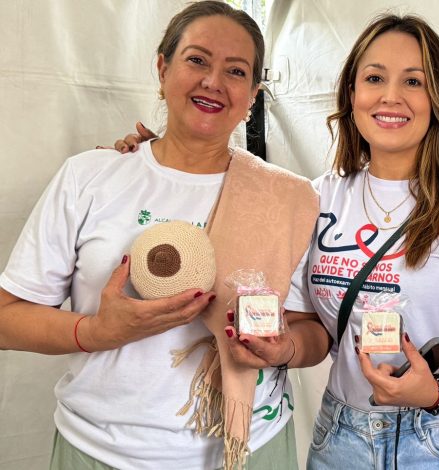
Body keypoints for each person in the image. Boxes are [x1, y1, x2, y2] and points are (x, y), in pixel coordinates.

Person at [0, 2, 318, 469]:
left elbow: (312, 330)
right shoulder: (90, 176)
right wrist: (95, 331)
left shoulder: (286, 197)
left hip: (249, 448)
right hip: (100, 451)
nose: (213, 81)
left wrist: (284, 348)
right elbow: (7, 319)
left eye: (235, 70)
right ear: (162, 67)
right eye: (196, 60)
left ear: (253, 93)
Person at [219, 13, 439, 470]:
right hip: (343, 439)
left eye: (414, 81)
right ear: (352, 94)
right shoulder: (315, 198)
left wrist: (435, 391)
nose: (391, 96)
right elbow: (310, 329)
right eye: (375, 77)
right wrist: (283, 350)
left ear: (438, 97)